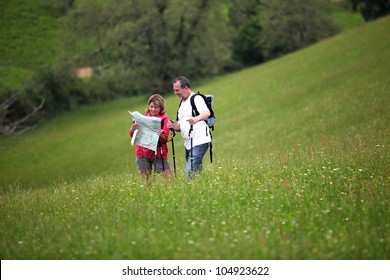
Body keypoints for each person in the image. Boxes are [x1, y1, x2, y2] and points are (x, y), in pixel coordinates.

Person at [167, 76, 211, 179]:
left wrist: (196, 119)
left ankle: (191, 190)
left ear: (185, 88)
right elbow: (182, 127)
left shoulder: (196, 98)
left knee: (190, 172)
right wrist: (173, 126)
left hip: (200, 142)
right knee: (196, 173)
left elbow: (206, 113)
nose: (175, 93)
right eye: (174, 90)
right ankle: (202, 187)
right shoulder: (181, 104)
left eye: (177, 90)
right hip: (188, 144)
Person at [129, 94, 173, 179]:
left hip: (159, 153)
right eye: (151, 106)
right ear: (149, 106)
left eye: (156, 107)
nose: (153, 109)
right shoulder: (143, 118)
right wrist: (133, 129)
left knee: (169, 179)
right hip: (142, 153)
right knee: (146, 183)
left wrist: (160, 135)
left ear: (161, 108)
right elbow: (132, 135)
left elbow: (164, 139)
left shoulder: (164, 120)